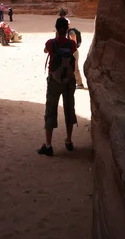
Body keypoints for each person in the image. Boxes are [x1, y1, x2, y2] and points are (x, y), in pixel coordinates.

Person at [38, 17, 77, 157]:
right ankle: (69, 140)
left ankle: (48, 145)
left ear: (56, 28)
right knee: (69, 108)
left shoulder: (51, 43)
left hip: (54, 81)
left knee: (51, 110)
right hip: (69, 80)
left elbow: (45, 50)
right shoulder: (71, 44)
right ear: (67, 28)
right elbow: (74, 50)